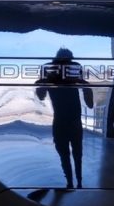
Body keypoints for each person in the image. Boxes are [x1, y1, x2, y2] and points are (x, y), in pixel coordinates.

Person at [35, 48, 94, 189]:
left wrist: (45, 81)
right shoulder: (57, 77)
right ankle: (76, 182)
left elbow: (41, 95)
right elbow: (90, 104)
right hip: (72, 122)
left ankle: (72, 183)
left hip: (62, 122)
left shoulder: (52, 76)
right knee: (75, 154)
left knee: (67, 154)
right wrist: (82, 83)